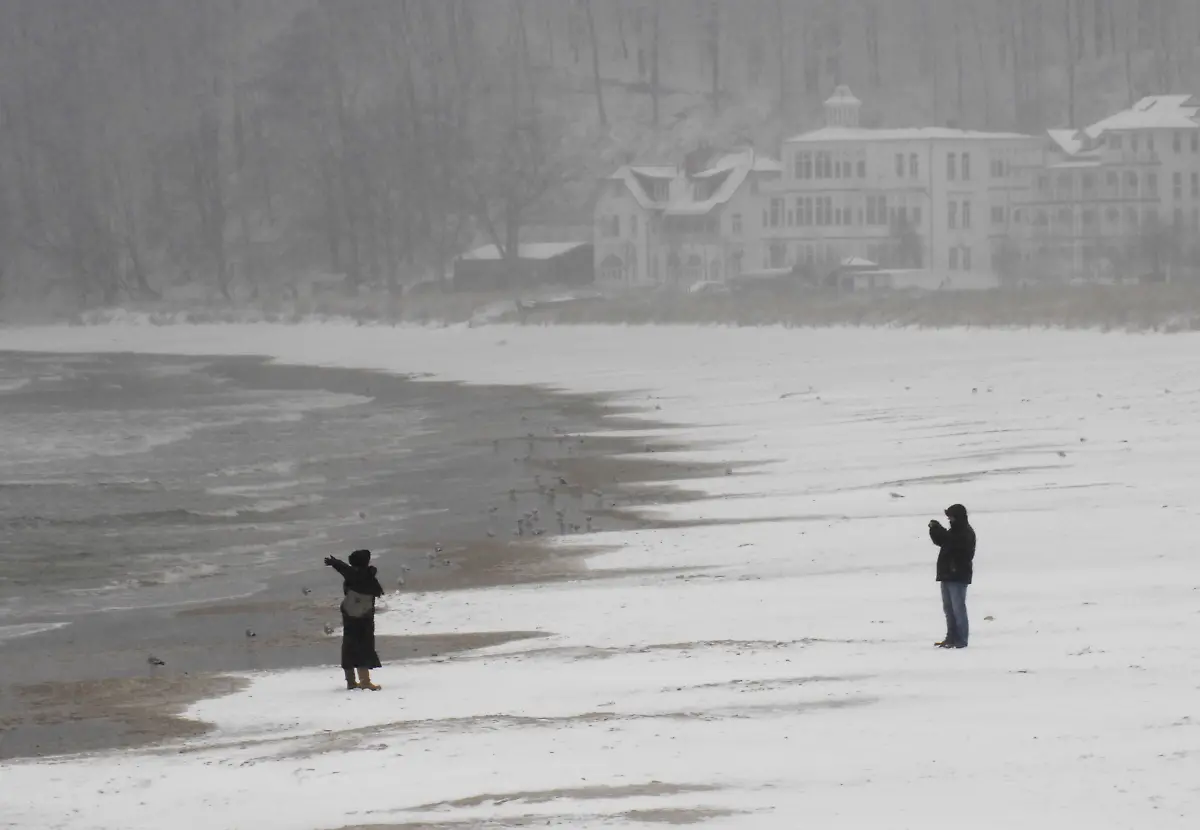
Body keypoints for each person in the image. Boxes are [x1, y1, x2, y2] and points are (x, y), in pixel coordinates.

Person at [324, 549, 385, 690]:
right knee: (364, 646)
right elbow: (377, 592)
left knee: (349, 646)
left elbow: (343, 568)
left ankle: (351, 682)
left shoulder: (352, 574)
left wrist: (334, 562)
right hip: (365, 616)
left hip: (349, 614)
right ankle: (365, 681)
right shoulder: (368, 575)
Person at [928, 504, 976, 649]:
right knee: (949, 609)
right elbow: (942, 541)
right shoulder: (954, 531)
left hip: (958, 575)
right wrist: (934, 531)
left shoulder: (966, 533)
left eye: (951, 516)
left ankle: (961, 639)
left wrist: (941, 531)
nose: (949, 519)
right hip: (947, 574)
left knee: (958, 608)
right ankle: (951, 637)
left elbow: (953, 544)